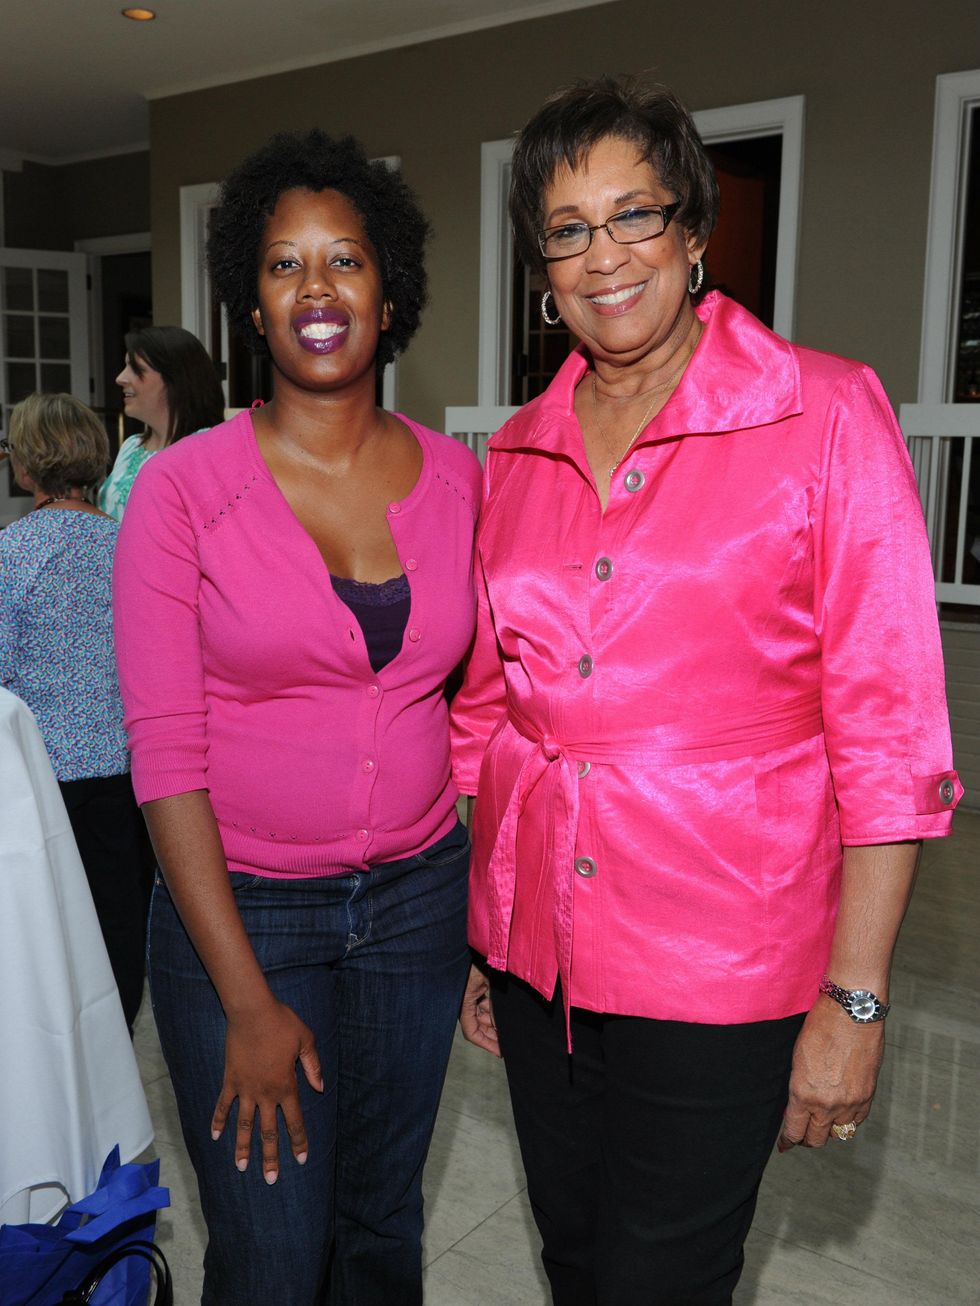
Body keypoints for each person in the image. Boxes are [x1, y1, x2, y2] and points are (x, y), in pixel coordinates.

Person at [450, 75, 961, 1306]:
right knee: (573, 1259)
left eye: (634, 215)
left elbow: (888, 729)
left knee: (659, 1278)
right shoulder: (515, 449)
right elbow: (485, 713)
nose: (602, 254)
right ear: (539, 262)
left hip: (721, 954)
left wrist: (854, 995)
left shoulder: (824, 412)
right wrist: (490, 930)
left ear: (692, 232)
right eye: (567, 229)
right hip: (535, 962)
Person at [113, 129, 482, 1306]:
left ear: (391, 287)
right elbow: (165, 758)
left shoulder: (461, 477)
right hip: (248, 913)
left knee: (379, 1232)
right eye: (284, 265)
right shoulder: (180, 491)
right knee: (271, 1256)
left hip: (421, 902)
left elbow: (482, 706)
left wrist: (486, 922)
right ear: (248, 300)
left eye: (346, 260)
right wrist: (243, 999)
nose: (317, 289)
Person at [0, 393, 146, 1031]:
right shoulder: (131, 546)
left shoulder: (12, 554)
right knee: (119, 919)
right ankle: (116, 1038)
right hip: (124, 772)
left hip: (41, 778)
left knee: (50, 929)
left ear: (27, 466)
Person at [99, 325, 225, 520]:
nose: (120, 378)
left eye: (136, 369)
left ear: (174, 378)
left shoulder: (206, 448)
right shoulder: (131, 446)